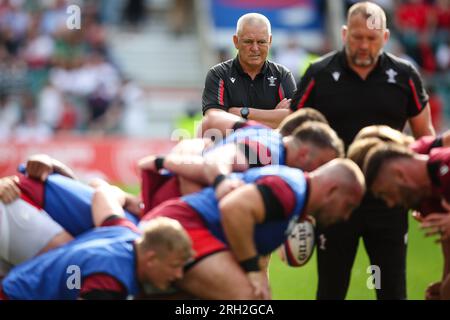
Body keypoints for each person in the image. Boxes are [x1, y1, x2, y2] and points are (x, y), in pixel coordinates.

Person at [290, 1, 435, 300]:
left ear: (385, 37)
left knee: (391, 289)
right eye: (357, 37)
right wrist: (300, 199)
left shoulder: (405, 75)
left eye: (372, 38)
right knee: (331, 289)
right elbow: (294, 133)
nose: (364, 45)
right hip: (335, 201)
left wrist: (426, 191)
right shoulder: (318, 73)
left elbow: (425, 137)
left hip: (389, 202)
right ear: (344, 34)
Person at [138, 159, 366, 299]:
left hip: (190, 227)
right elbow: (233, 208)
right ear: (333, 190)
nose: (345, 216)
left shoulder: (296, 194)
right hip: (186, 226)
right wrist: (252, 270)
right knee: (247, 299)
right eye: (348, 206)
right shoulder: (291, 191)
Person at [0, 187, 193, 300]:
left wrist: (127, 198)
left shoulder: (125, 232)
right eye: (174, 266)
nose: (178, 275)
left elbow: (103, 192)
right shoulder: (109, 279)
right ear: (151, 259)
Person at [201, 13, 296, 129]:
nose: (255, 48)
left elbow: (294, 119)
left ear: (270, 41)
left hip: (271, 147)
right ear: (236, 41)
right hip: (231, 146)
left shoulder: (282, 74)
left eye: (261, 42)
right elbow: (214, 119)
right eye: (248, 42)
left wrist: (243, 112)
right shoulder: (218, 74)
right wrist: (273, 118)